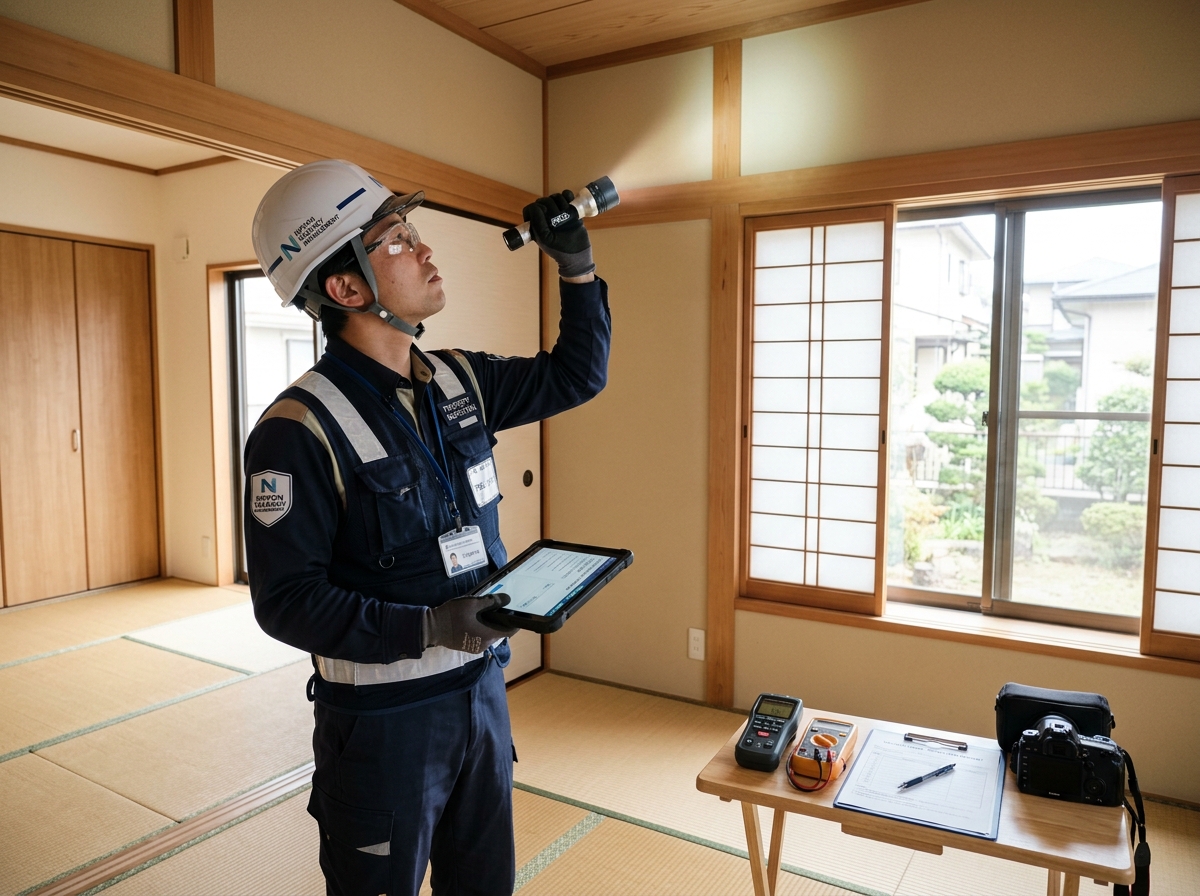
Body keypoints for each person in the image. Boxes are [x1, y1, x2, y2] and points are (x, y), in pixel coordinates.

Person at [244, 159, 610, 896]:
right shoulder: (296, 432)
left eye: (413, 232)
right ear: (347, 289)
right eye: (396, 240)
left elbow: (577, 375)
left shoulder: (457, 379)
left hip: (481, 695)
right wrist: (430, 626)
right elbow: (286, 602)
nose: (424, 249)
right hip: (383, 723)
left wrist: (576, 267)